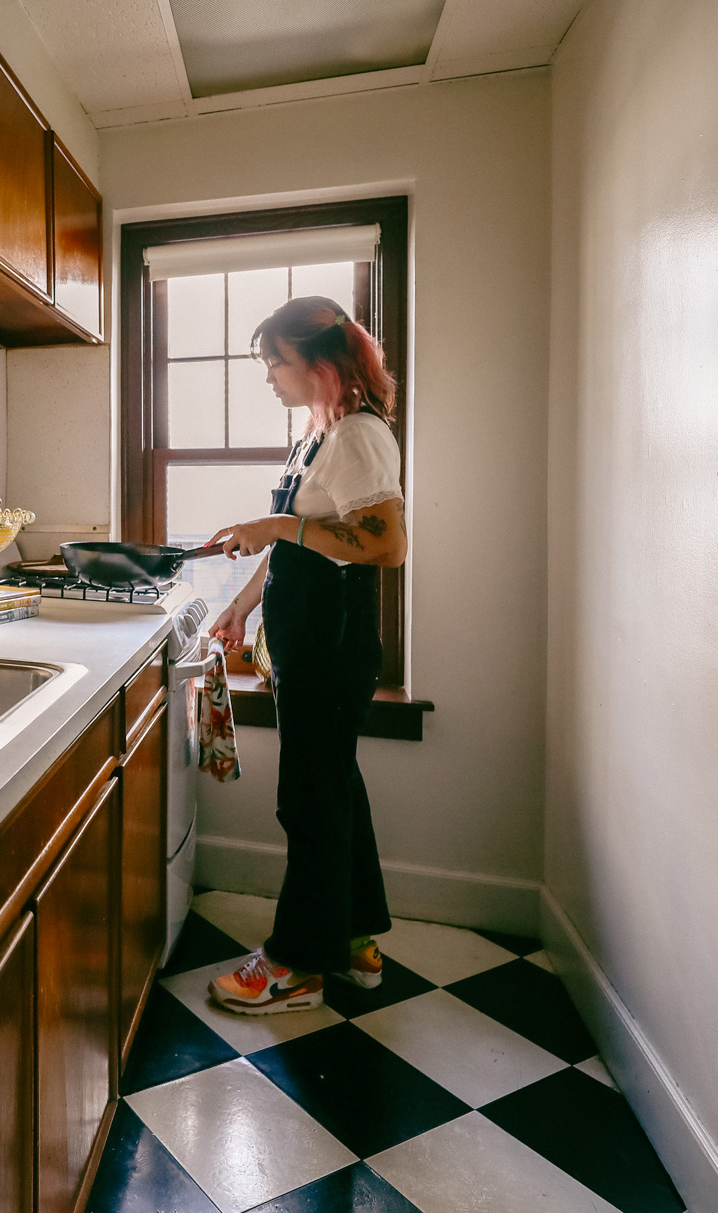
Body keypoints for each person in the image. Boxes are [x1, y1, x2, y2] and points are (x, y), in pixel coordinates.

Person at [202, 296, 407, 1014]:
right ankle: (352, 937)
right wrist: (244, 602)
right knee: (335, 791)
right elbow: (298, 539)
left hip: (331, 646)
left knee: (309, 802)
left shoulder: (357, 436)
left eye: (276, 363)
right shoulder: (318, 435)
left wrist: (276, 524)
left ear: (319, 365)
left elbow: (386, 543)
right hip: (306, 642)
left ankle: (295, 964)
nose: (269, 378)